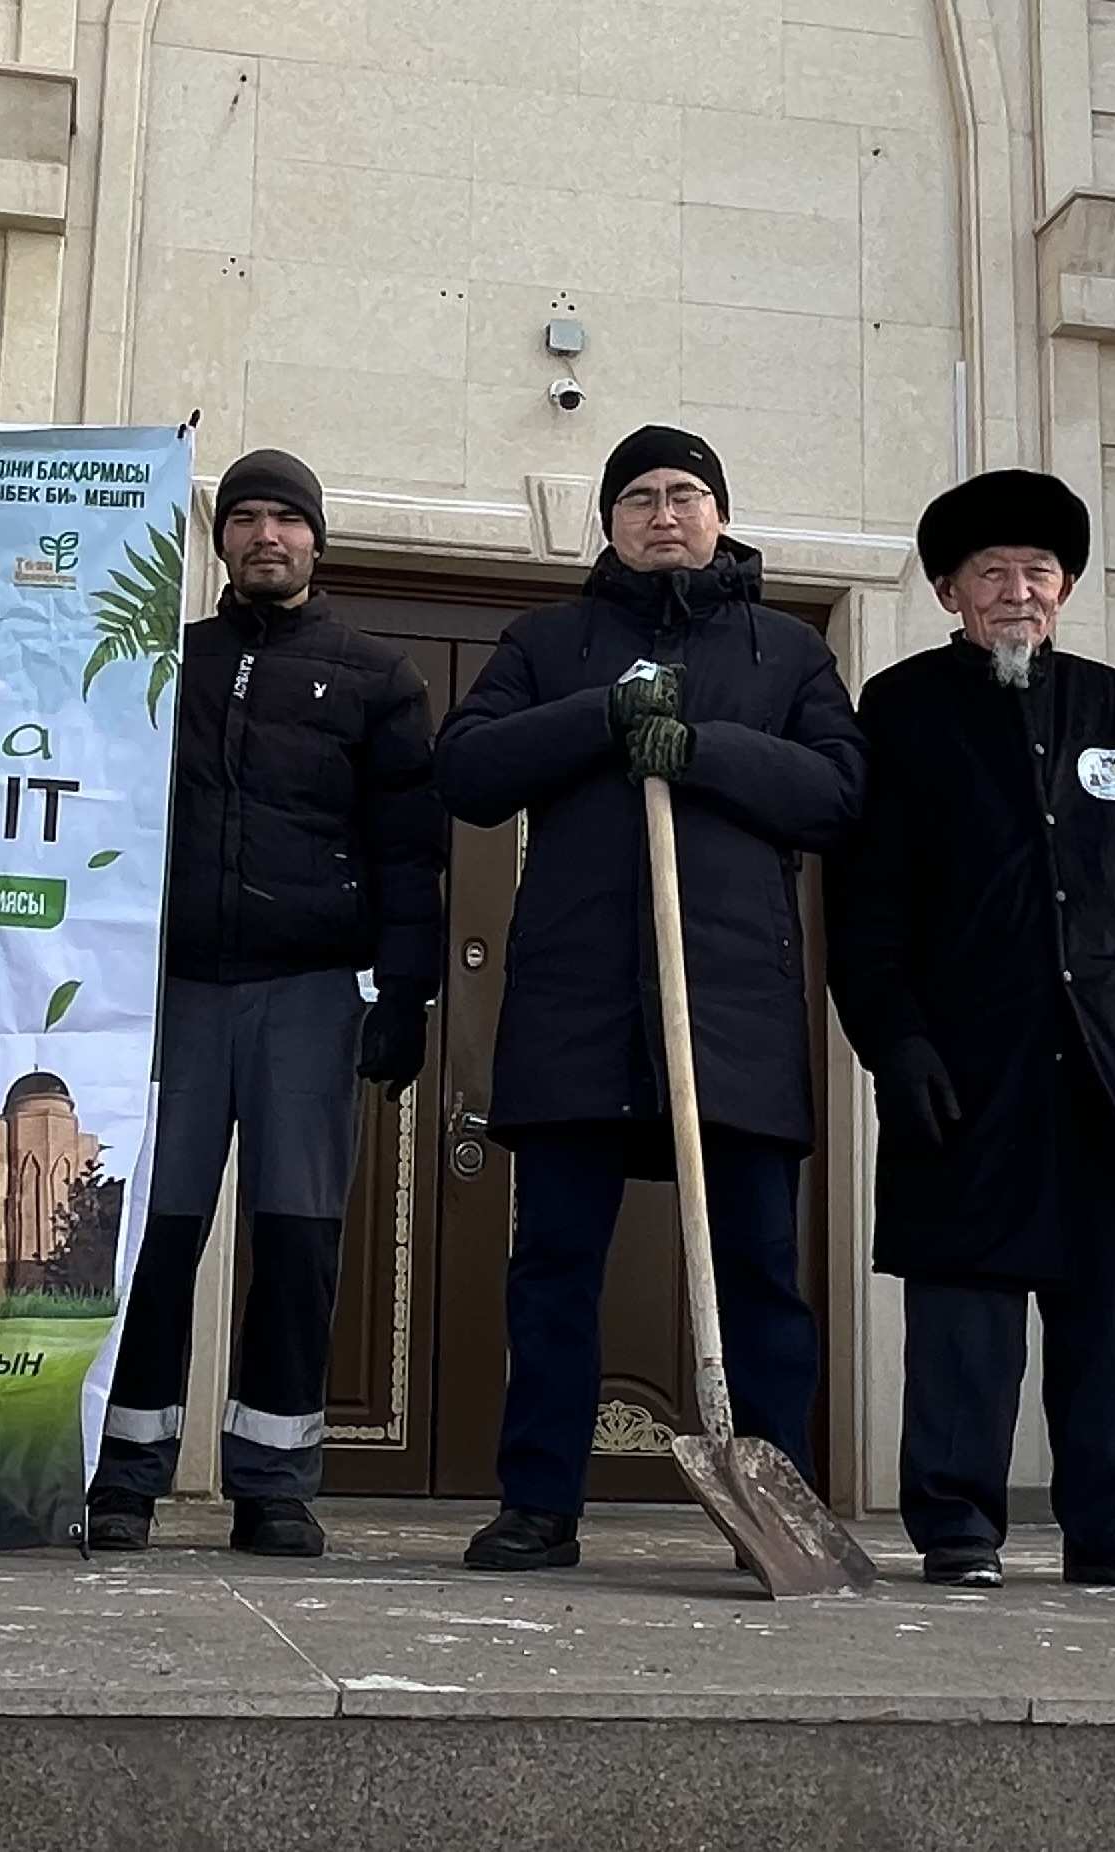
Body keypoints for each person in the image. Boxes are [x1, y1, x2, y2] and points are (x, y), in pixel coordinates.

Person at [434, 425, 865, 1572]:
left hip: (729, 1014)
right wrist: (601, 717)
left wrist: (704, 746)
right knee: (555, 1270)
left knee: (763, 1274)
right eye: (635, 497)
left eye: (682, 494)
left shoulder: (785, 655)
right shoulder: (548, 641)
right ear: (609, 524)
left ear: (718, 514)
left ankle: (777, 1508)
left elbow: (835, 792)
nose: (660, 513)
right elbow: (467, 770)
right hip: (577, 1010)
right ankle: (538, 1501)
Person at [825, 470, 1115, 1591]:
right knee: (963, 1304)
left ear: (1063, 591)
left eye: (1037, 573)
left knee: (1110, 1310)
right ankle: (956, 1526)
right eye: (991, 573)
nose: (1016, 591)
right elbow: (865, 906)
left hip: (1107, 1064)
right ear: (950, 592)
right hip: (963, 1062)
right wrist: (890, 1039)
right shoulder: (900, 709)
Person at [87, 449, 444, 1559]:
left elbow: (408, 849)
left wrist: (403, 990)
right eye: (241, 519)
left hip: (307, 995)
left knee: (296, 1242)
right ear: (219, 545)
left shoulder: (377, 678)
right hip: (173, 992)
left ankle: (274, 1481)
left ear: (315, 541)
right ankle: (124, 1474)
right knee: (151, 1235)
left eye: (285, 518)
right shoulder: (160, 665)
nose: (263, 536)